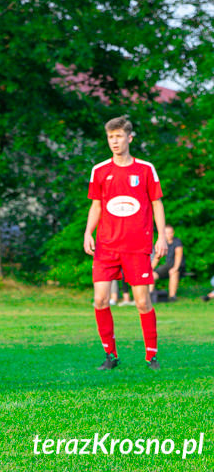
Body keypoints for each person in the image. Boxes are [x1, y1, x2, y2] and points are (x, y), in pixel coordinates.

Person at [84, 116, 166, 371]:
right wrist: (88, 232)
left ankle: (151, 356)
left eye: (119, 136)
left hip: (137, 246)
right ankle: (110, 356)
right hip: (106, 245)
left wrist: (161, 236)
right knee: (100, 300)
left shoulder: (145, 169)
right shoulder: (99, 170)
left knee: (142, 301)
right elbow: (96, 204)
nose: (114, 142)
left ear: (129, 138)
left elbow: (156, 203)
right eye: (110, 137)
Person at [151, 224, 184, 302]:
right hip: (167, 266)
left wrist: (175, 268)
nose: (169, 235)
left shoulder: (177, 242)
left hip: (178, 266)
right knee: (152, 275)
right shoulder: (162, 243)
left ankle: (172, 297)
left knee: (173, 272)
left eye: (170, 233)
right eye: (167, 233)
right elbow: (157, 257)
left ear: (173, 233)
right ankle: (150, 295)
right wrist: (150, 269)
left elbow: (178, 256)